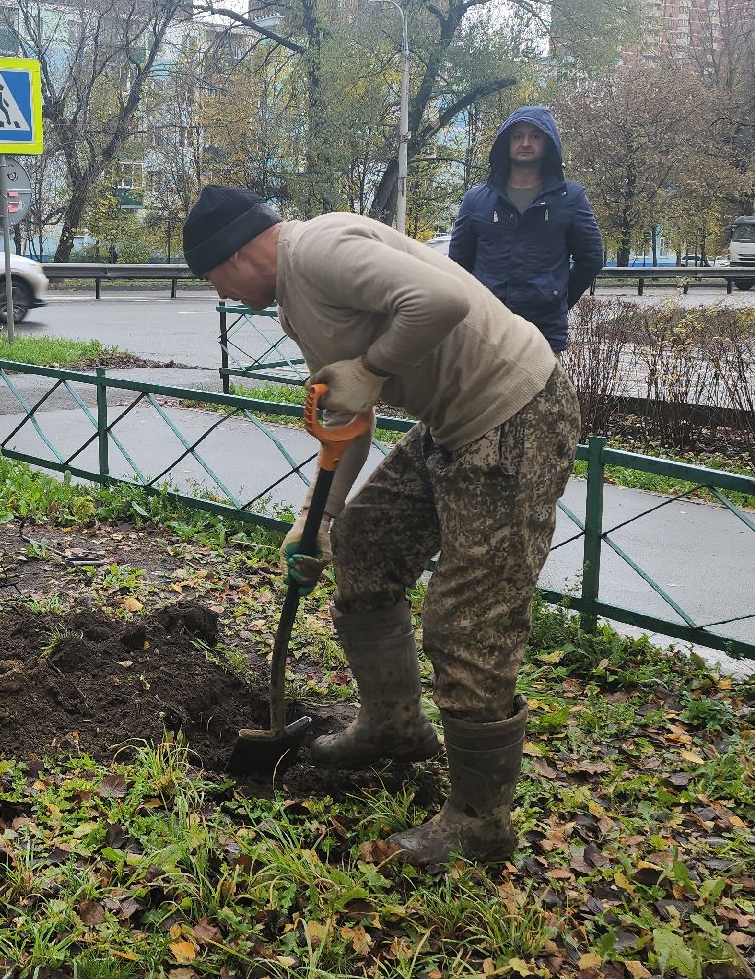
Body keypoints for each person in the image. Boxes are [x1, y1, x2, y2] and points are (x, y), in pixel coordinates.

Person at [183, 184, 579, 867]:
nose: (223, 294)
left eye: (216, 279)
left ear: (238, 254)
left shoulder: (318, 251)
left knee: (470, 619)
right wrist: (318, 517)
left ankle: (481, 824)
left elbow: (442, 300)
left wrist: (371, 368)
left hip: (513, 413)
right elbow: (348, 414)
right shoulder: (295, 299)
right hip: (452, 424)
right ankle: (394, 727)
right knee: (363, 543)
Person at [449, 106, 604, 353]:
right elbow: (458, 265)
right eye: (518, 136)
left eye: (535, 136)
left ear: (548, 142)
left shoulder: (570, 198)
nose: (525, 143)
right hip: (485, 330)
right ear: (506, 143)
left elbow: (591, 259)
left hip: (543, 333)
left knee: (540, 382)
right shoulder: (476, 200)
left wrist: (557, 299)